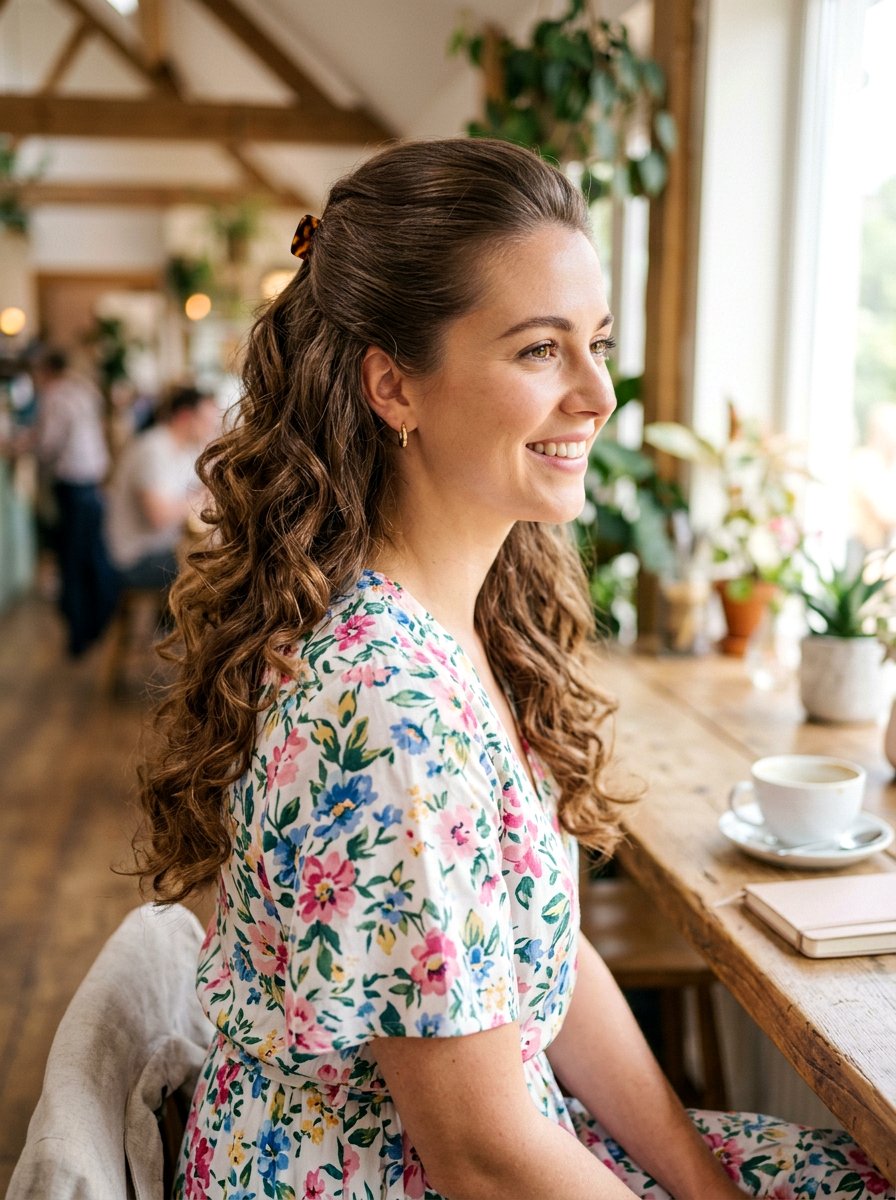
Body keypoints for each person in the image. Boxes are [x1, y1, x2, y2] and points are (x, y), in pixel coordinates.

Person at [134, 140, 894, 1199]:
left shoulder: (467, 619)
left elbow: (547, 964)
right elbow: (480, 1154)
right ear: (393, 384)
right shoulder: (386, 707)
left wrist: (701, 1185)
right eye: (540, 351)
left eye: (596, 343)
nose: (596, 395)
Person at [31, 347, 118, 657]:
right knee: (92, 553)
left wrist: (26, 444)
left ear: (46, 371)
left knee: (72, 559)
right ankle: (99, 620)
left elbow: (48, 444)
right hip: (94, 482)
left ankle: (79, 634)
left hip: (72, 485)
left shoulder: (54, 396)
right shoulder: (84, 389)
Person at [105, 384, 220, 591]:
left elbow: (205, 485)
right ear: (185, 417)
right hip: (136, 555)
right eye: (206, 421)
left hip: (162, 546)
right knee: (216, 572)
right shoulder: (153, 449)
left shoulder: (184, 448)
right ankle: (176, 623)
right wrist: (202, 495)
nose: (211, 428)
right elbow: (158, 517)